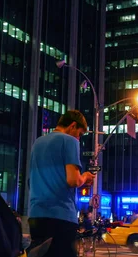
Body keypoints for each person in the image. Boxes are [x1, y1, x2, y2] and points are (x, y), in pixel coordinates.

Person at [28, 110, 95, 257]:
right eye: (80, 134)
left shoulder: (37, 143)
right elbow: (73, 180)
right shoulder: (69, 141)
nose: (79, 138)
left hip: (36, 216)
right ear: (72, 126)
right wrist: (84, 177)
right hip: (61, 216)